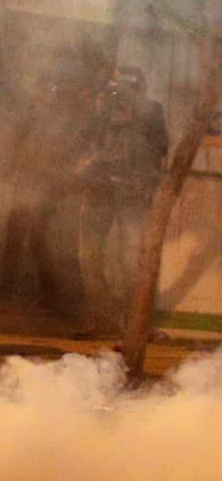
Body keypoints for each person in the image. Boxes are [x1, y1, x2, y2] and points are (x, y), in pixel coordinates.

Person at [75, 66, 168, 335]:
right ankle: (102, 320)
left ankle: (138, 324)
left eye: (129, 89)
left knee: (133, 259)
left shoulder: (152, 111)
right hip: (100, 190)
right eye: (117, 88)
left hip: (133, 192)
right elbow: (83, 141)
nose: (122, 94)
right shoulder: (102, 108)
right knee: (89, 256)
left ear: (140, 90)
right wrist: (99, 113)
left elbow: (161, 147)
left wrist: (134, 119)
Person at [0, 70, 88, 316]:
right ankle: (9, 290)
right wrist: (6, 171)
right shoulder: (31, 116)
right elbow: (14, 145)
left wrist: (55, 180)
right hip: (28, 183)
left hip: (44, 186)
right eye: (44, 88)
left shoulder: (57, 120)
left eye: (50, 89)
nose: (46, 93)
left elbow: (61, 154)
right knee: (17, 236)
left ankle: (48, 292)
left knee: (36, 239)